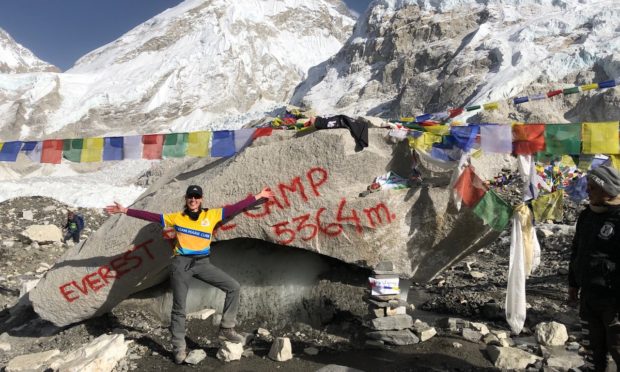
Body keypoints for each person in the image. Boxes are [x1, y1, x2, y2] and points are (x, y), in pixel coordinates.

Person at [105, 185, 273, 364]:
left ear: (201, 199)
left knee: (233, 287)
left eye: (196, 197)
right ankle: (179, 347)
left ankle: (227, 328)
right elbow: (150, 216)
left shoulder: (212, 215)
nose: (193, 200)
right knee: (179, 308)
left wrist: (259, 196)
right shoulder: (176, 218)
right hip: (181, 265)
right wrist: (125, 210)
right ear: (186, 199)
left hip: (203, 263)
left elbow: (236, 207)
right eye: (190, 197)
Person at [568, 164, 620, 371]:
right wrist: (573, 284)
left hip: (614, 300)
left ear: (607, 190)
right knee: (592, 350)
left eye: (592, 187)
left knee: (617, 347)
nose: (587, 191)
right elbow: (577, 251)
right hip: (589, 297)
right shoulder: (586, 216)